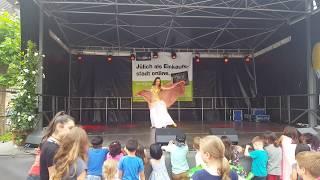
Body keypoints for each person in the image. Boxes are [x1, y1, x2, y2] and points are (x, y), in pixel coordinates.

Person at [40, 111, 75, 180]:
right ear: (59, 126)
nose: (72, 132)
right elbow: (54, 177)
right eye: (70, 128)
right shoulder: (52, 148)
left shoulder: (49, 144)